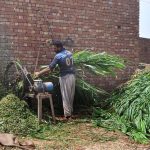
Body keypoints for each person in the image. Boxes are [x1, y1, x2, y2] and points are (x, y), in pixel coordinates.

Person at [34, 40, 75, 120]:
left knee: (65, 96)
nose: (53, 49)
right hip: (72, 76)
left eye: (54, 47)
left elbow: (50, 68)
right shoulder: (69, 53)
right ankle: (70, 113)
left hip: (65, 77)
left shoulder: (58, 56)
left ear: (59, 47)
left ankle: (67, 116)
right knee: (71, 96)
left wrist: (39, 73)